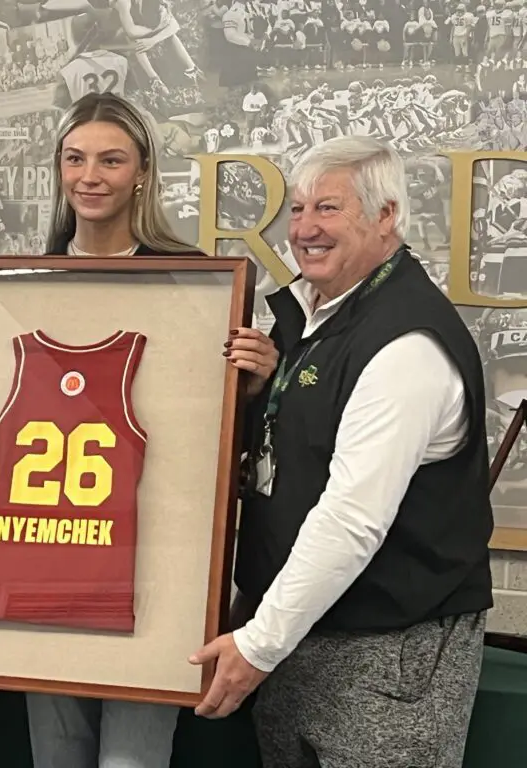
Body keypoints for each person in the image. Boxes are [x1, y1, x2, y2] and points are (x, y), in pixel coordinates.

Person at [0, 92, 279, 768]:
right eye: (75, 159)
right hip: (44, 566)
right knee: (58, 758)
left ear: (143, 171)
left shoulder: (195, 284)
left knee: (132, 761)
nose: (90, 176)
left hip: (153, 565)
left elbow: (215, 442)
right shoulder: (23, 284)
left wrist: (255, 384)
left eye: (110, 160)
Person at [190, 135, 494, 768]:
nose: (305, 229)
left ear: (387, 216)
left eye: (328, 208)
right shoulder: (312, 318)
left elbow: (352, 518)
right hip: (297, 636)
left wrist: (259, 643)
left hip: (386, 653)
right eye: (298, 209)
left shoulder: (407, 344)